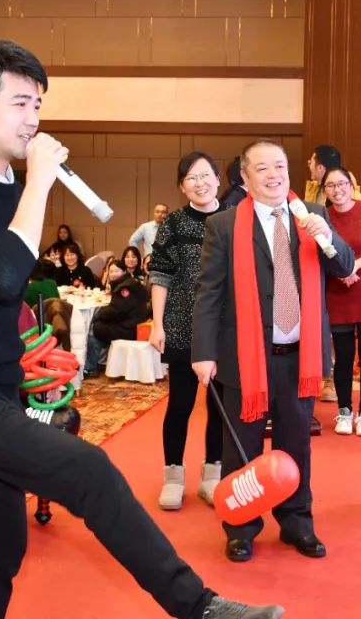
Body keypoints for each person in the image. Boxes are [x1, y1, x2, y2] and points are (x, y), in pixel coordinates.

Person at [0, 38, 283, 619]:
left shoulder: (9, 188)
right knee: (88, 469)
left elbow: (1, 296)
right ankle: (198, 607)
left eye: (38, 104)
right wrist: (38, 185)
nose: (34, 119)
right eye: (20, 103)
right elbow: (1, 274)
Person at [191, 140, 354, 563]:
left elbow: (345, 267)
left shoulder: (312, 215)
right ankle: (241, 527)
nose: (273, 174)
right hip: (244, 358)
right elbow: (208, 293)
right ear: (245, 178)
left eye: (279, 166)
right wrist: (203, 352)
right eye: (262, 168)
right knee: (241, 449)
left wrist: (327, 238)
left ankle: (297, 522)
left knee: (296, 446)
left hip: (300, 357)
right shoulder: (225, 225)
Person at [149, 152, 226, 511]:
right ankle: (173, 477)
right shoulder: (174, 223)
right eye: (191, 178)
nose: (200, 183)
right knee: (179, 404)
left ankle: (213, 476)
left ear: (218, 179)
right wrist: (157, 324)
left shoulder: (233, 218)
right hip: (182, 324)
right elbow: (160, 274)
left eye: (206, 175)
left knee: (219, 406)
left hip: (224, 327)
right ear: (182, 186)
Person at [323, 166, 361, 436]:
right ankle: (344, 411)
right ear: (324, 190)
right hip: (338, 294)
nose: (337, 190)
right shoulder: (323, 216)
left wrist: (352, 267)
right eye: (330, 185)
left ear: (351, 185)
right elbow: (319, 253)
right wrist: (341, 272)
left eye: (342, 184)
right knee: (343, 356)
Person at [85, 260, 150, 376]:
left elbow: (116, 311)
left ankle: (90, 367)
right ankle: (99, 362)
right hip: (132, 324)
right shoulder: (131, 283)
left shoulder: (125, 288)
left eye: (116, 271)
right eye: (111, 271)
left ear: (124, 272)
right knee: (98, 326)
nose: (113, 274)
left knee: (95, 328)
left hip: (130, 329)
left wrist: (98, 315)